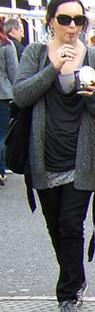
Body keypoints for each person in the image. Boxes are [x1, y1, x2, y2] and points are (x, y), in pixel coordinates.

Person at [13, 0, 95, 312]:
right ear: (50, 21)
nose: (72, 26)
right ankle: (76, 278)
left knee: (72, 226)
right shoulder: (35, 53)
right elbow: (21, 94)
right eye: (65, 19)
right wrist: (53, 68)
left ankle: (69, 295)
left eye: (78, 20)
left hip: (81, 158)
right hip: (44, 157)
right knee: (55, 227)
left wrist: (93, 95)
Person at [0, 18, 18, 186]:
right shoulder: (6, 44)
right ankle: (2, 168)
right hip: (3, 94)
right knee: (3, 135)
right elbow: (14, 72)